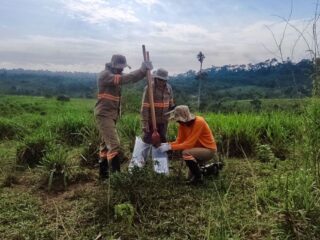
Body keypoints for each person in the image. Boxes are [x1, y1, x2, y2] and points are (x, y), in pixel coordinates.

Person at [95, 54, 153, 179]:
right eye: (120, 68)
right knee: (114, 145)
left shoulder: (115, 75)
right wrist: (142, 70)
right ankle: (117, 179)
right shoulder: (105, 75)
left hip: (111, 115)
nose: (122, 70)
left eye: (123, 68)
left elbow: (130, 78)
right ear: (113, 65)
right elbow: (125, 79)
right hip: (104, 114)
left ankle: (103, 175)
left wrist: (143, 73)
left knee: (105, 145)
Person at [128, 68, 174, 174]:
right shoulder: (150, 88)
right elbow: (144, 107)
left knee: (161, 142)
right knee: (146, 141)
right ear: (156, 78)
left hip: (164, 121)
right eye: (160, 80)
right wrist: (144, 123)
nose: (162, 82)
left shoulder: (169, 88)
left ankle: (161, 169)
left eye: (164, 80)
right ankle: (136, 167)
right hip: (151, 121)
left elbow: (171, 102)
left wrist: (173, 110)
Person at [158, 105, 218, 184]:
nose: (178, 122)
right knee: (189, 177)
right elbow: (179, 141)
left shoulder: (199, 121)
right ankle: (212, 169)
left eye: (179, 119)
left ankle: (199, 179)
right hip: (196, 150)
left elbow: (189, 144)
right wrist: (165, 145)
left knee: (186, 153)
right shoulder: (182, 125)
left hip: (208, 150)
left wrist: (168, 147)